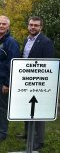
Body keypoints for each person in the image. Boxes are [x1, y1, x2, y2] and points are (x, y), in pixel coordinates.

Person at [17, 16, 55, 151]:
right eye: (31, 25)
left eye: (36, 25)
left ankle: (39, 141)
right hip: (25, 81)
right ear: (28, 25)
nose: (33, 27)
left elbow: (49, 65)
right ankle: (27, 134)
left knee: (38, 112)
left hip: (39, 83)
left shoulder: (46, 42)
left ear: (41, 27)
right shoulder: (26, 40)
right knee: (27, 108)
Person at [0, 15, 20, 142]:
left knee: (2, 107)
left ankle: (2, 131)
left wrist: (8, 83)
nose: (1, 26)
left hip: (2, 81)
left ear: (8, 26)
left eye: (3, 24)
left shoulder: (11, 42)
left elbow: (13, 64)